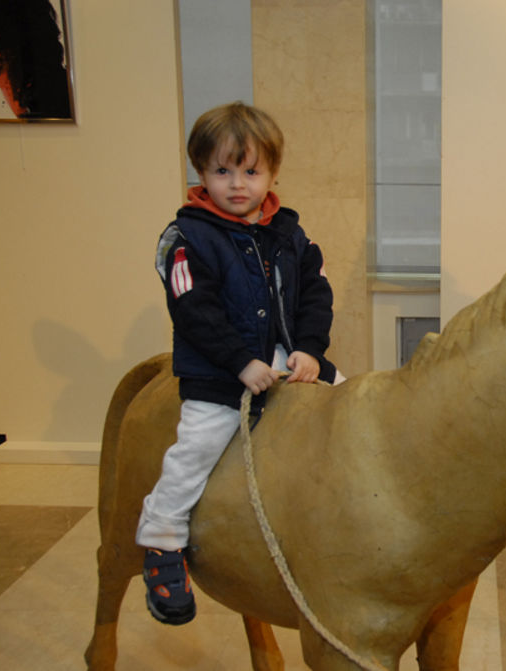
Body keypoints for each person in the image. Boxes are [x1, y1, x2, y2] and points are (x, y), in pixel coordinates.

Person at [137, 101, 341, 625]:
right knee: (197, 446)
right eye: (222, 170)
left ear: (272, 173)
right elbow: (193, 312)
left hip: (285, 355)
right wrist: (239, 362)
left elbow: (315, 295)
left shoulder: (290, 234)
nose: (237, 184)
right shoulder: (185, 239)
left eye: (250, 171)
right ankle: (161, 538)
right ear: (201, 172)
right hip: (217, 371)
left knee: (353, 404)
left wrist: (310, 350)